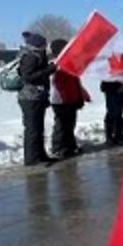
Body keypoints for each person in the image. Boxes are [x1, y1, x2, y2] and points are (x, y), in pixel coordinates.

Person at [18, 31, 57, 166]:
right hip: (30, 98)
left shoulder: (38, 55)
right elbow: (28, 77)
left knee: (39, 129)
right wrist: (49, 70)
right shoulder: (30, 57)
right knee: (32, 130)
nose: (46, 46)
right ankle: (31, 159)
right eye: (44, 44)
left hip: (38, 96)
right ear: (37, 45)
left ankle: (41, 156)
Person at [49, 38, 90, 159]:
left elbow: (75, 80)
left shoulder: (68, 62)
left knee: (70, 124)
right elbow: (59, 84)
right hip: (60, 100)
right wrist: (66, 98)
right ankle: (58, 148)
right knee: (61, 125)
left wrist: (81, 95)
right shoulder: (56, 64)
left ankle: (70, 146)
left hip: (71, 98)